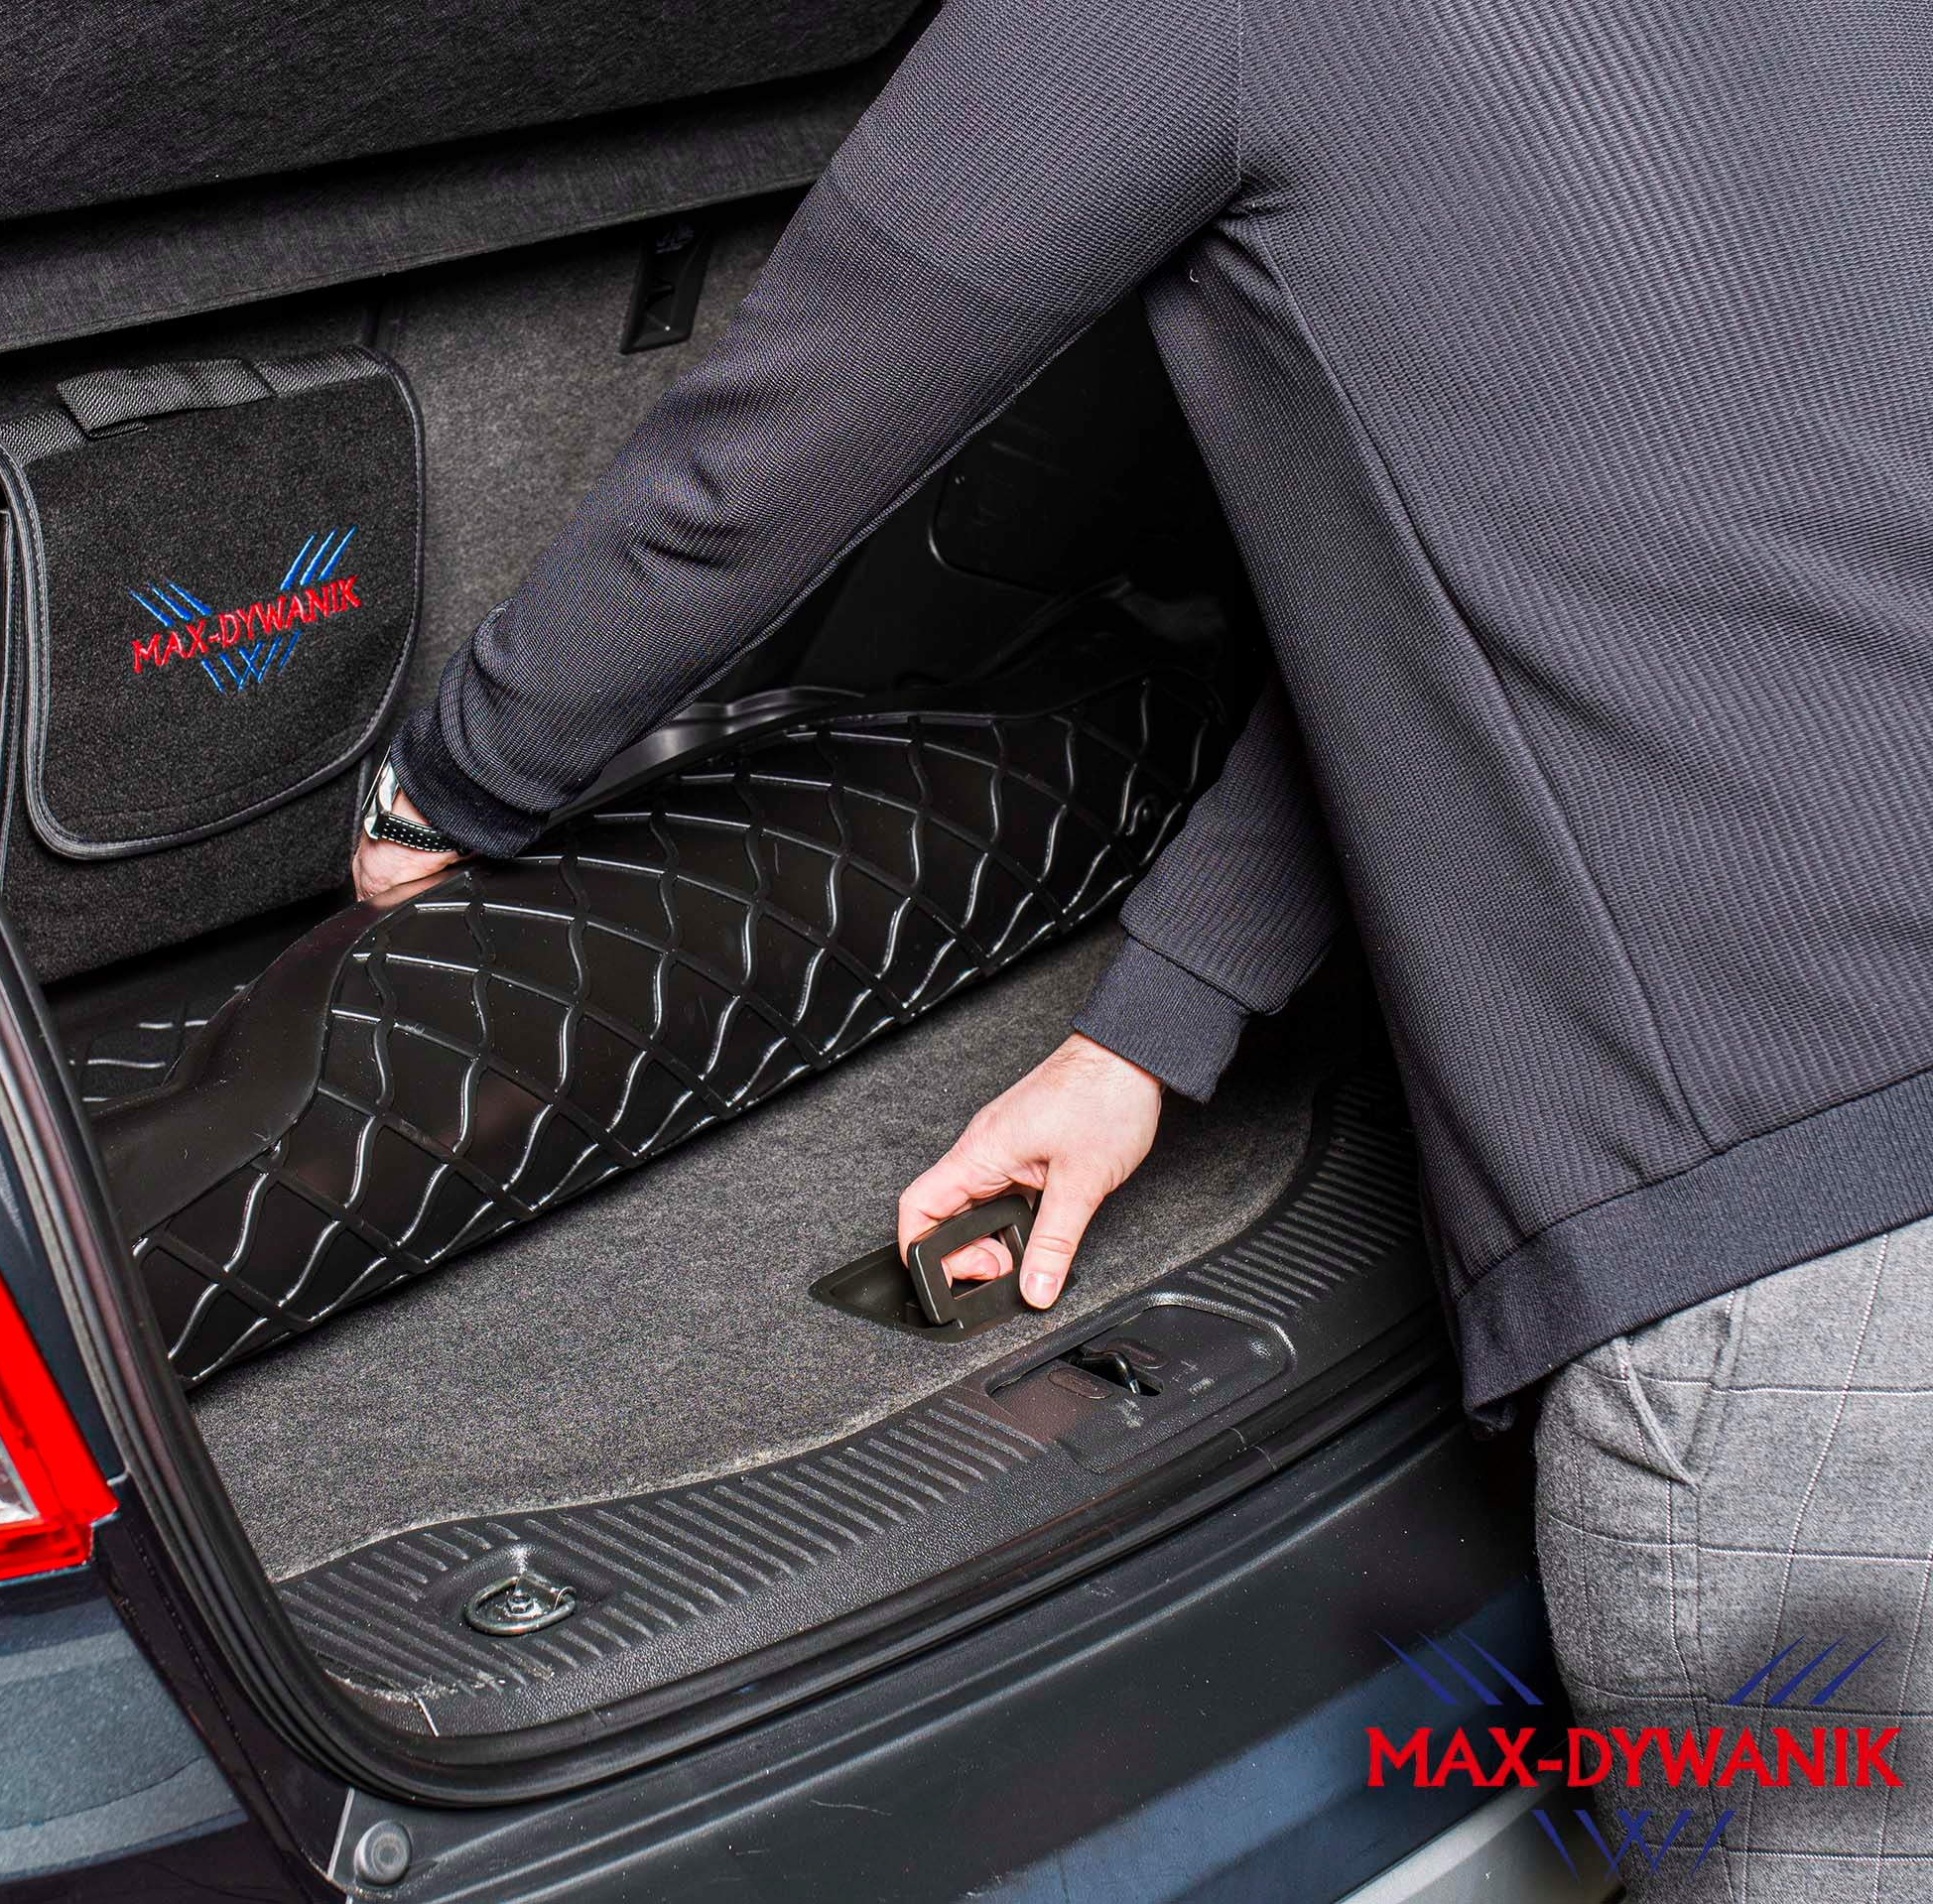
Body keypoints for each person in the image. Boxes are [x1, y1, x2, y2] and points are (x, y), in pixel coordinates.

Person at [350, 0, 1933, 1890]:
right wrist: (1157, 1020)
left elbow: (766, 451)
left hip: (1802, 1288)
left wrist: (454, 783)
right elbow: (1527, 573)